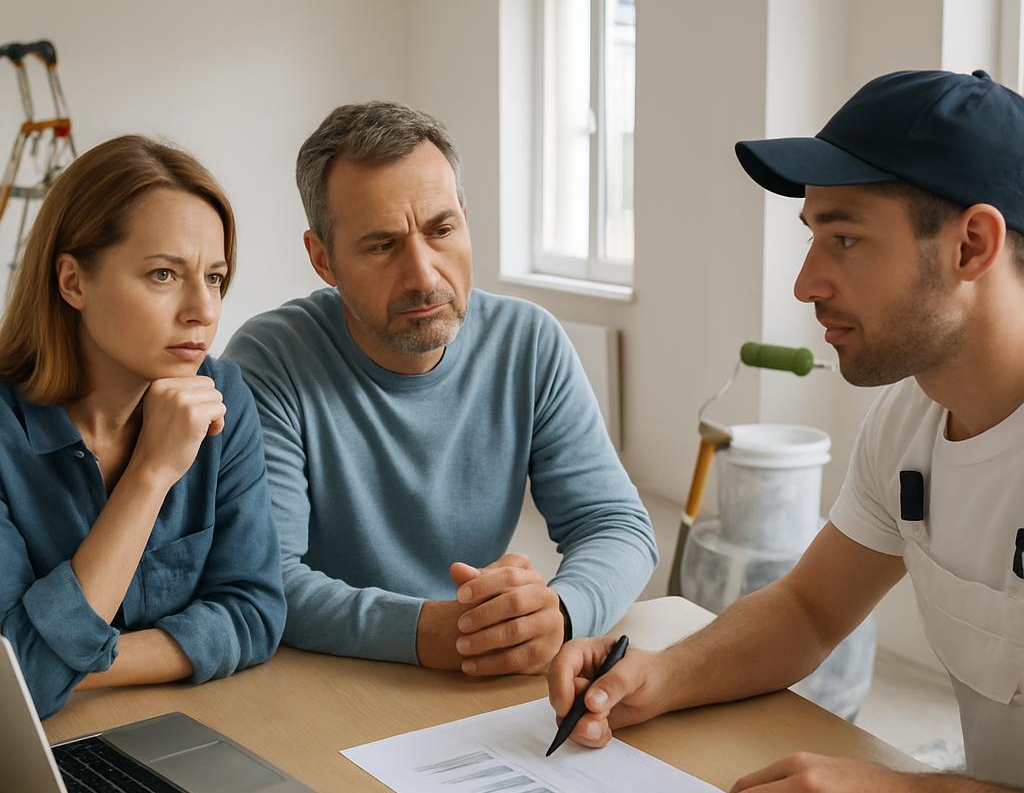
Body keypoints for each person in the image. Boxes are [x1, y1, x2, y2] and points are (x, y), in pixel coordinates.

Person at [547, 69, 1024, 793]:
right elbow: (809, 611)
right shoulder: (910, 422)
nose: (805, 284)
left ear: (971, 246)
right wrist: (659, 675)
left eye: (844, 239)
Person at [225, 101, 657, 676]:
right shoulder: (269, 360)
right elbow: (267, 577)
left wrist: (560, 610)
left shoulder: (528, 342)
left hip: (472, 677)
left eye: (442, 229)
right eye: (382, 246)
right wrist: (426, 628)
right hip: (327, 674)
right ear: (323, 259)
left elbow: (616, 524)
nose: (424, 275)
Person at [0, 135, 287, 719]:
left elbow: (254, 612)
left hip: (176, 724)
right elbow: (15, 679)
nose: (202, 311)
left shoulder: (223, 395)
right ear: (73, 282)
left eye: (214, 277)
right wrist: (152, 472)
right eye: (163, 274)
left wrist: (77, 663)